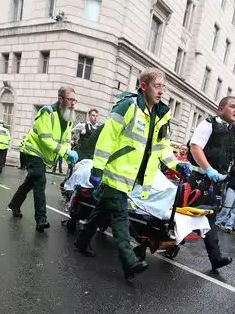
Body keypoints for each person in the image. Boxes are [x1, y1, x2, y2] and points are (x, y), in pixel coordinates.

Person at [74, 69, 190, 280]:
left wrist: (176, 165)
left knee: (102, 211)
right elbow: (108, 138)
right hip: (115, 174)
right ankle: (130, 262)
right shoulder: (128, 106)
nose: (161, 91)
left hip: (132, 179)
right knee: (120, 217)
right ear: (143, 86)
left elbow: (163, 147)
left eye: (163, 87)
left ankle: (82, 241)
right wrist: (97, 168)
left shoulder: (160, 115)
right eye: (157, 86)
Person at [187, 96, 235, 270]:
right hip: (199, 179)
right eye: (232, 106)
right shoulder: (208, 125)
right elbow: (195, 147)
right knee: (191, 215)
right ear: (220, 109)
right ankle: (212, 256)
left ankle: (215, 258)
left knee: (207, 216)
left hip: (215, 182)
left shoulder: (234, 131)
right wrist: (208, 169)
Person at [8, 87, 79, 231]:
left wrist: (68, 155)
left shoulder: (68, 118)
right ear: (60, 99)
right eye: (70, 99)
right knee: (40, 180)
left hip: (43, 155)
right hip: (33, 151)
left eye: (74, 100)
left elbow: (66, 141)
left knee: (31, 181)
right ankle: (41, 219)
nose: (73, 103)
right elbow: (45, 139)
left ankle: (14, 204)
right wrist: (65, 151)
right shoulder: (47, 112)